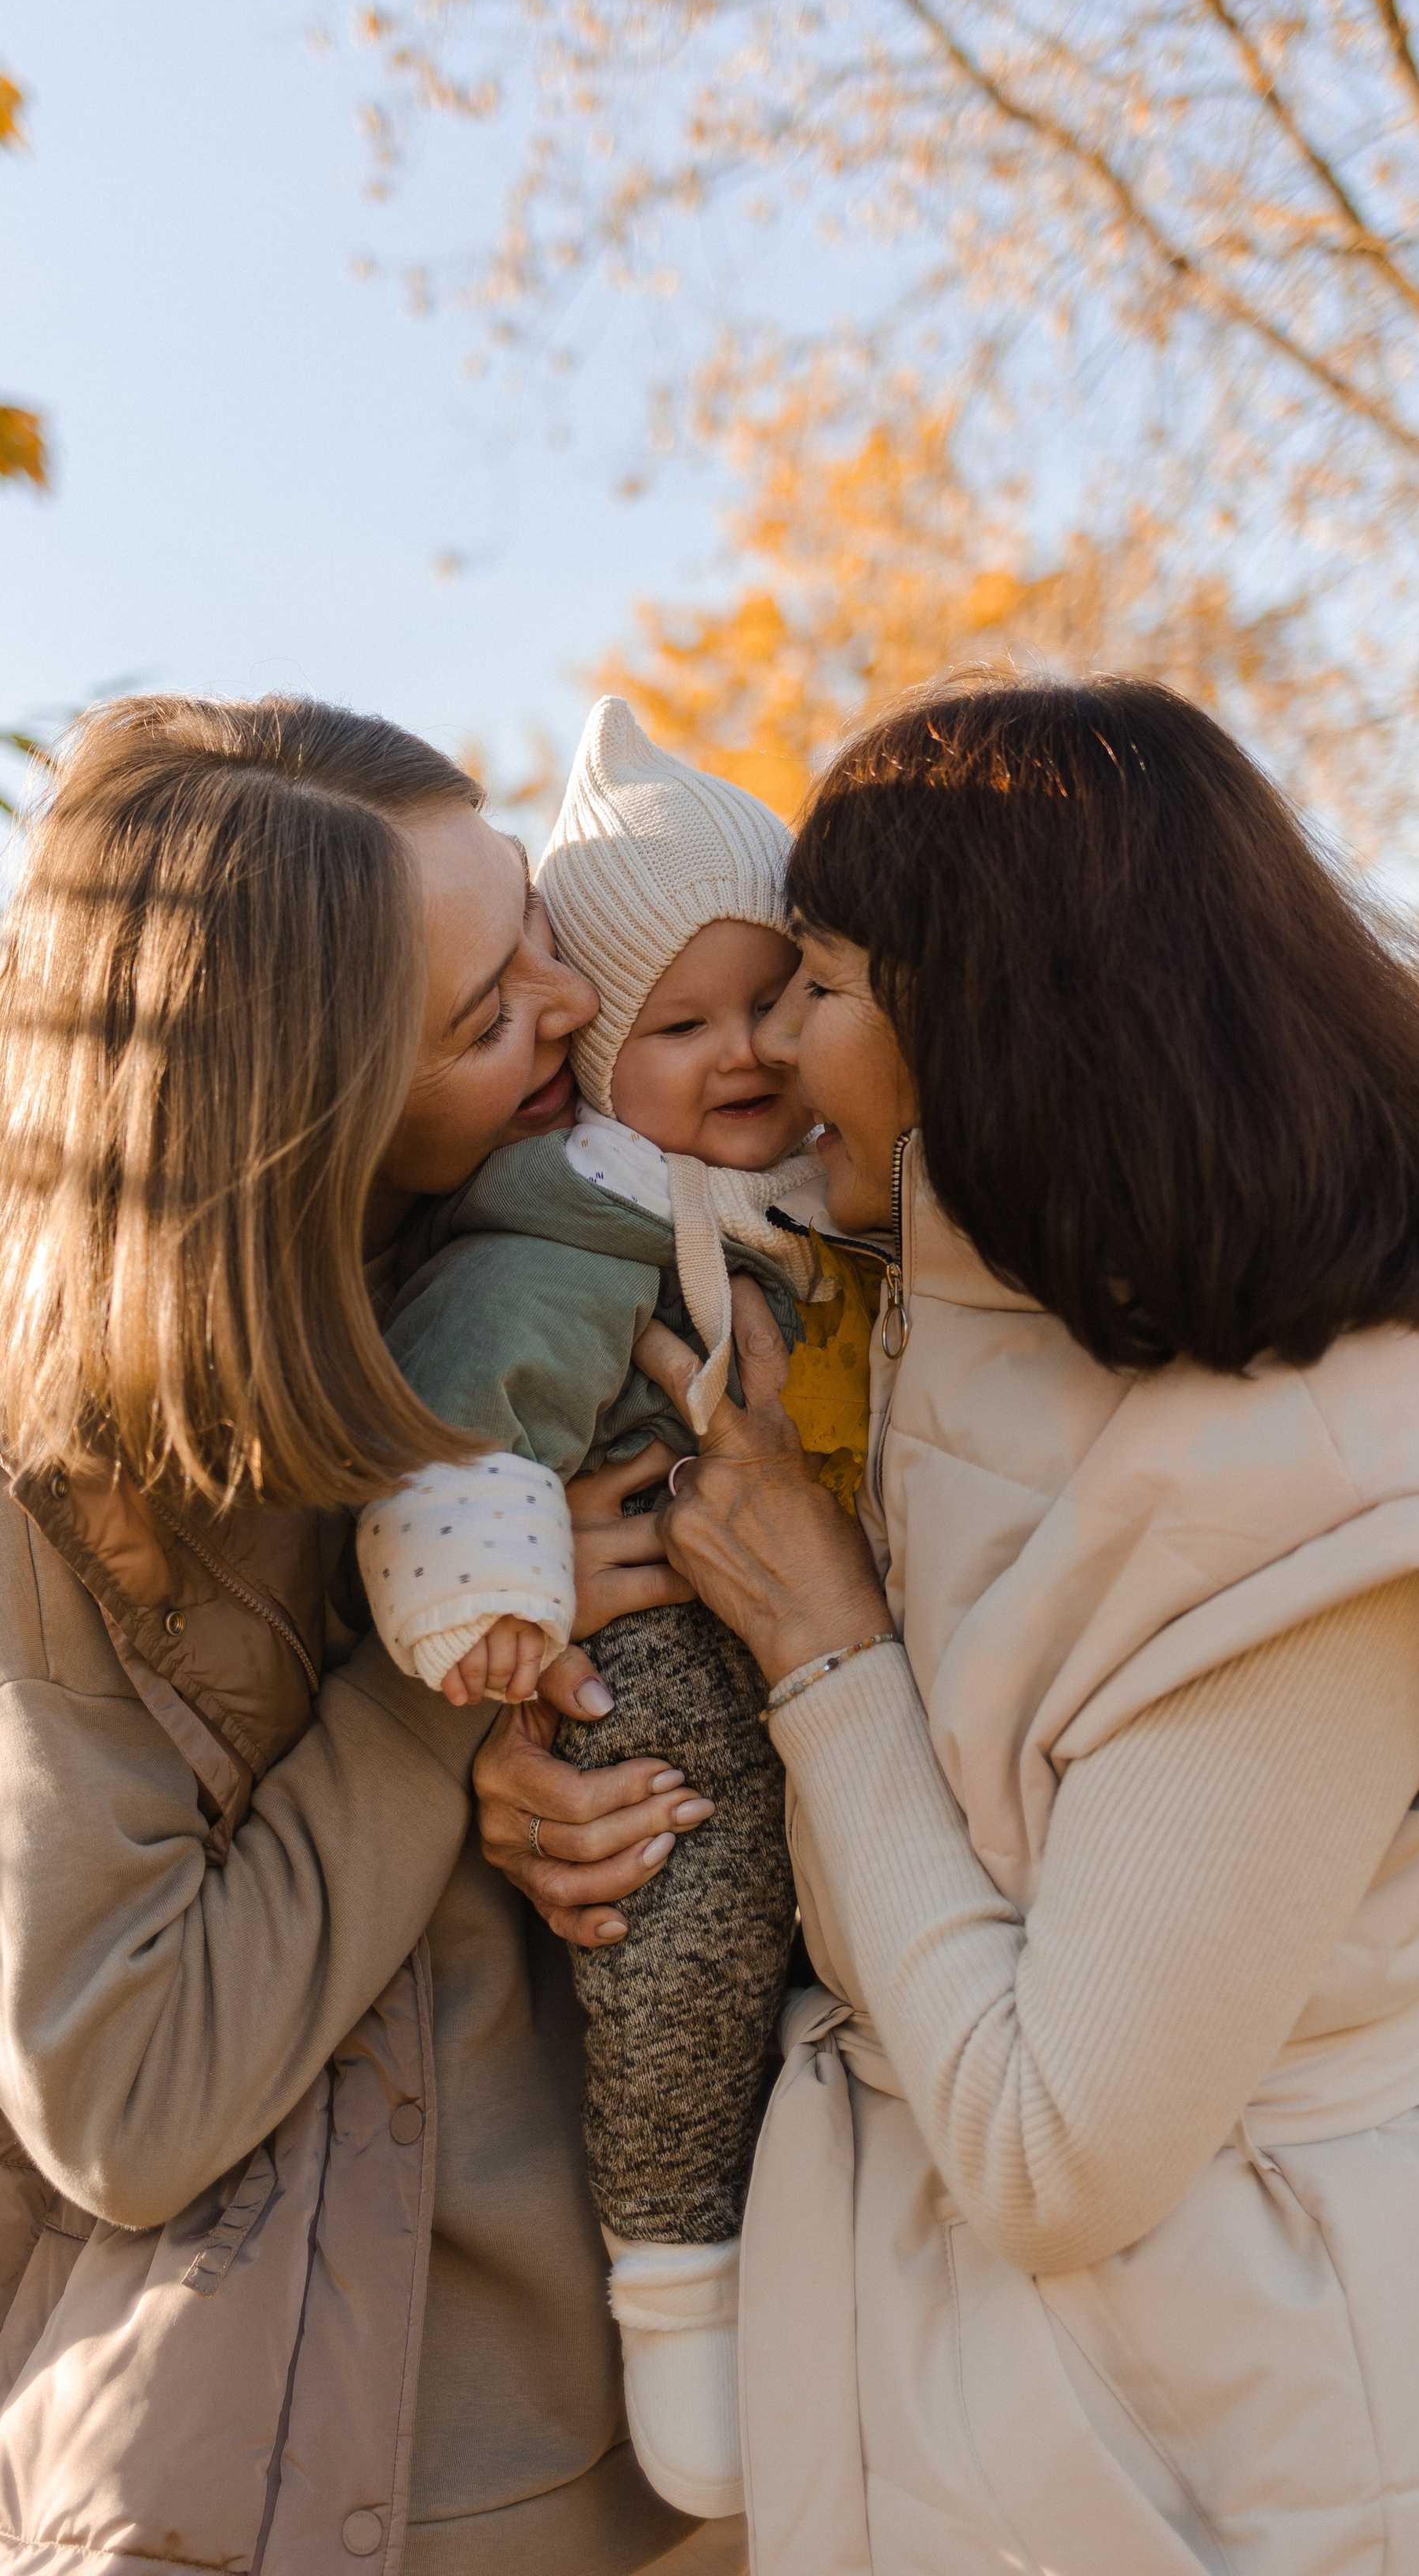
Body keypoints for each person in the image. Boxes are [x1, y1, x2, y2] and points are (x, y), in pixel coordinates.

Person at [603, 676, 1419, 2571]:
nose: (776, 1052)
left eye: (819, 983)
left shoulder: (1328, 1484)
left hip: (1234, 2438)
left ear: (997, 1013)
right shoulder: (948, 1327)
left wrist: (819, 1646)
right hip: (956, 2393)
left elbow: (1057, 2151)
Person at [0, 691, 739, 2576]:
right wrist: (433, 1709)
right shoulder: (15, 1515)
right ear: (302, 1116)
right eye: (484, 1016)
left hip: (658, 2454)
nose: (566, 1006)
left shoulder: (498, 1289)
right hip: (331, 2486)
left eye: (531, 923)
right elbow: (127, 2095)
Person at [354, 700, 881, 2518]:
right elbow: (463, 1411)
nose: (737, 1052)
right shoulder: (572, 1226)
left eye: (770, 1001)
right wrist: (496, 1584)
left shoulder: (838, 1204)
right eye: (677, 1023)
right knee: (680, 1912)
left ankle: (801, 2288)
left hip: (819, 1660)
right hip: (649, 1661)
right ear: (589, 1059)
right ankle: (675, 2290)